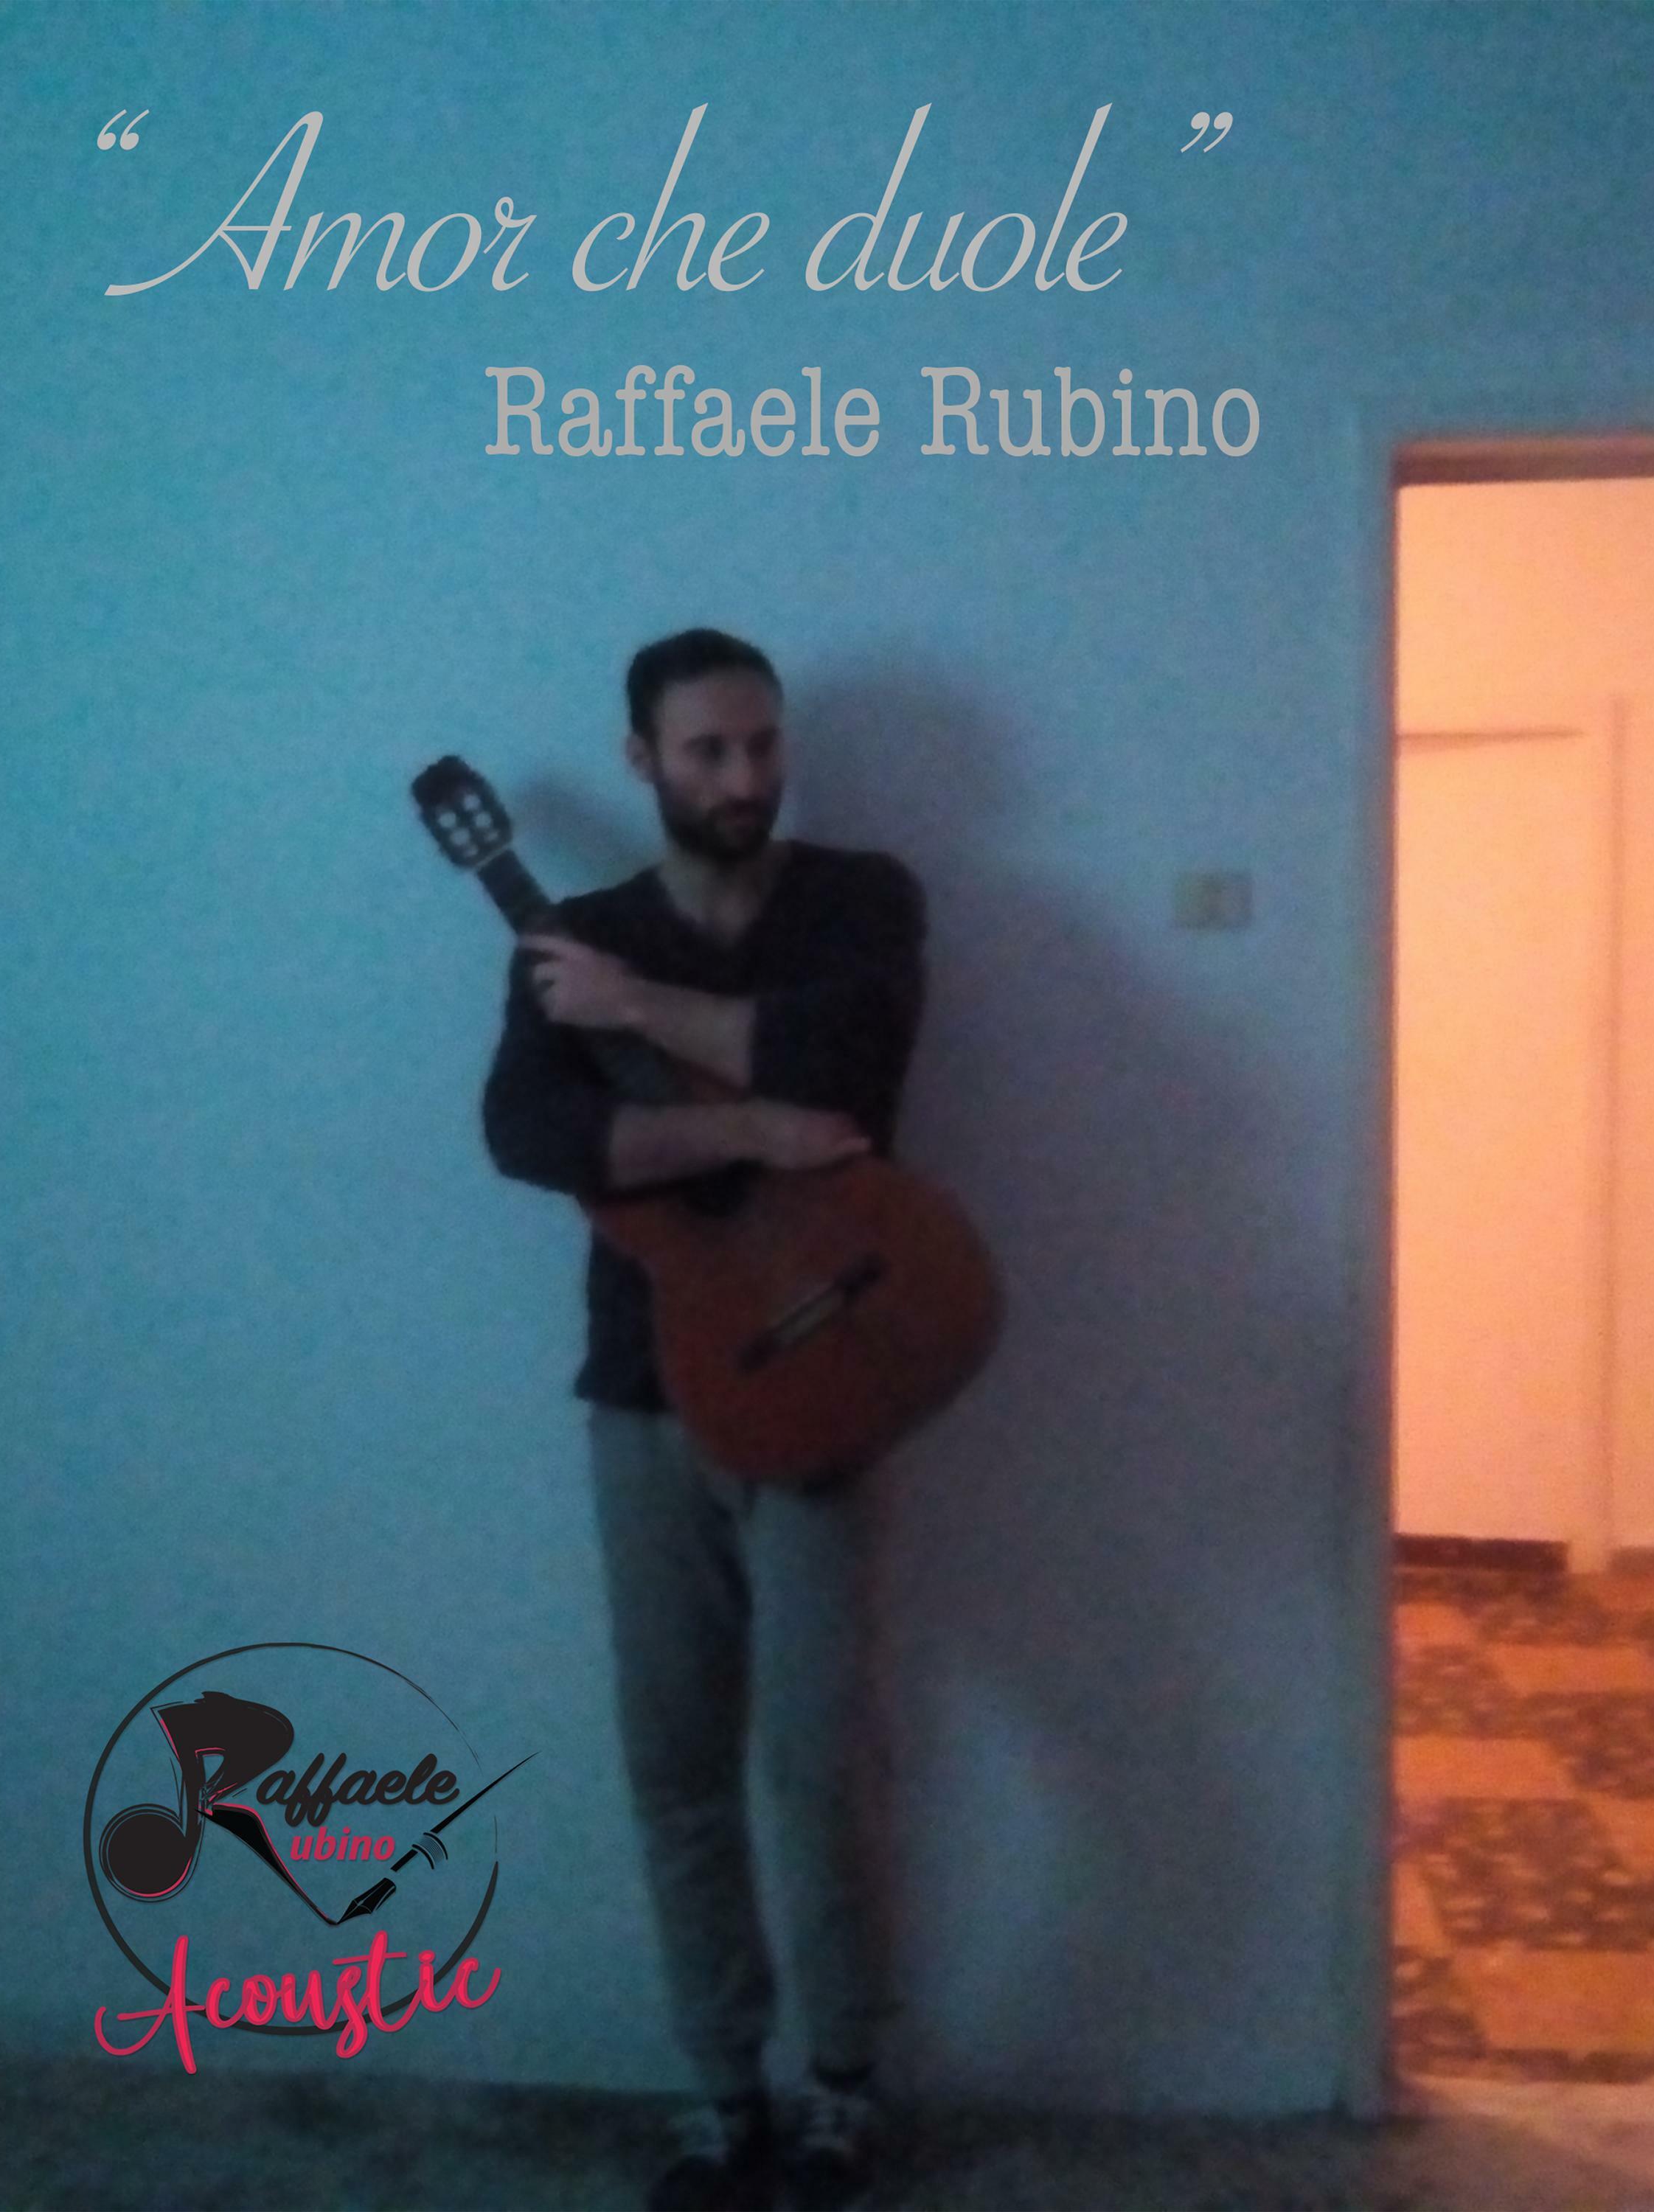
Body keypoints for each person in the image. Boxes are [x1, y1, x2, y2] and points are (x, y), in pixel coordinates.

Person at [481, 627, 923, 2212]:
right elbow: (528, 1132)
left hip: (821, 1376)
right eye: (708, 751)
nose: (744, 776)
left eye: (762, 744)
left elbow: (846, 1065)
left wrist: (638, 1016)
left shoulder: (863, 900)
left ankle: (843, 2087)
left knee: (818, 1763)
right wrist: (742, 1129)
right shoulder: (572, 937)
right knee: (676, 1764)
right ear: (643, 762)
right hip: (642, 1393)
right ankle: (722, 2090)